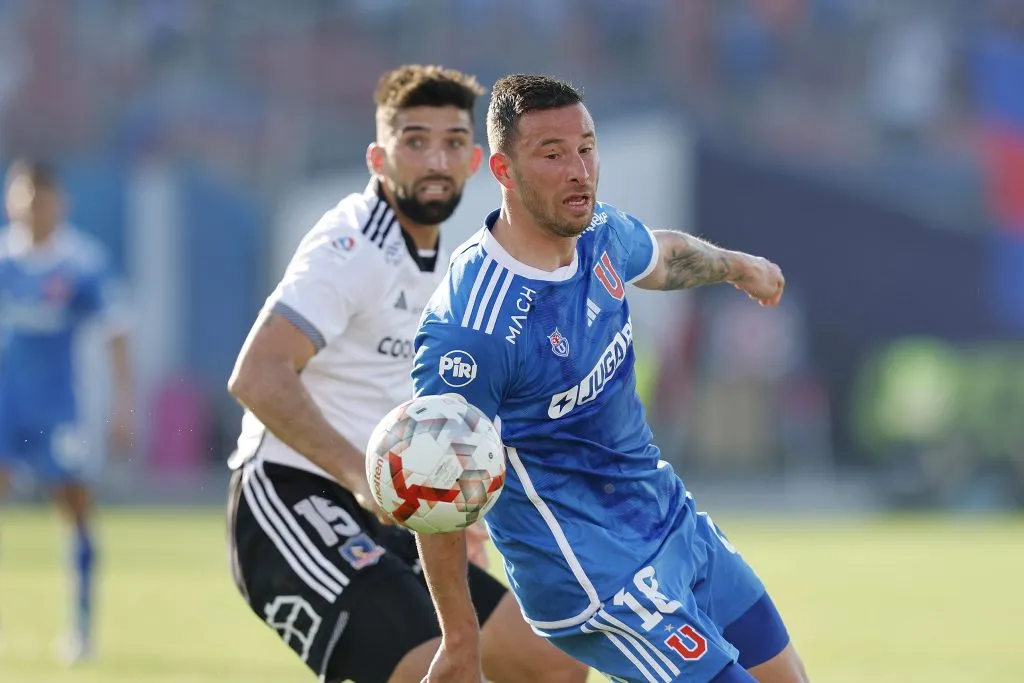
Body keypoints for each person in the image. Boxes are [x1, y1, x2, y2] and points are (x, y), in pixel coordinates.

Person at [411, 74, 811, 683]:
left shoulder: (598, 232)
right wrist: (461, 639)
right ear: (503, 169)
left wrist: (738, 266)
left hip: (671, 520)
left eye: (587, 147)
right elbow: (436, 488)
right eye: (552, 154)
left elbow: (659, 253)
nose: (580, 169)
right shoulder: (471, 327)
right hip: (595, 576)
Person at [225, 65, 588, 683]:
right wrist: (358, 478)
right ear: (378, 157)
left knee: (551, 665)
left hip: (403, 506)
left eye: (451, 143)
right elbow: (257, 375)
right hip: (294, 495)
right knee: (428, 670)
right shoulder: (351, 245)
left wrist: (458, 511)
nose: (435, 159)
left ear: (476, 161)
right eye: (414, 141)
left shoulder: (463, 256)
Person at [0, 159, 134, 663]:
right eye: (23, 198)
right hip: (6, 406)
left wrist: (123, 404)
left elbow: (117, 332)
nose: (31, 209)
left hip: (61, 408)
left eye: (41, 199)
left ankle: (80, 629)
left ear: (59, 203)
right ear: (12, 200)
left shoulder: (82, 262)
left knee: (73, 508)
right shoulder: (3, 260)